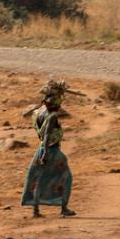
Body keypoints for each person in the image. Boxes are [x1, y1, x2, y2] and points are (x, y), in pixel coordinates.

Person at [21, 80, 75, 218]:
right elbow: (46, 135)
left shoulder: (38, 113)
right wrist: (46, 152)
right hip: (51, 151)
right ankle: (64, 208)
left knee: (39, 178)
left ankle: (35, 210)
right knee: (65, 176)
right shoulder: (52, 117)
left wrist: (42, 151)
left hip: (40, 150)